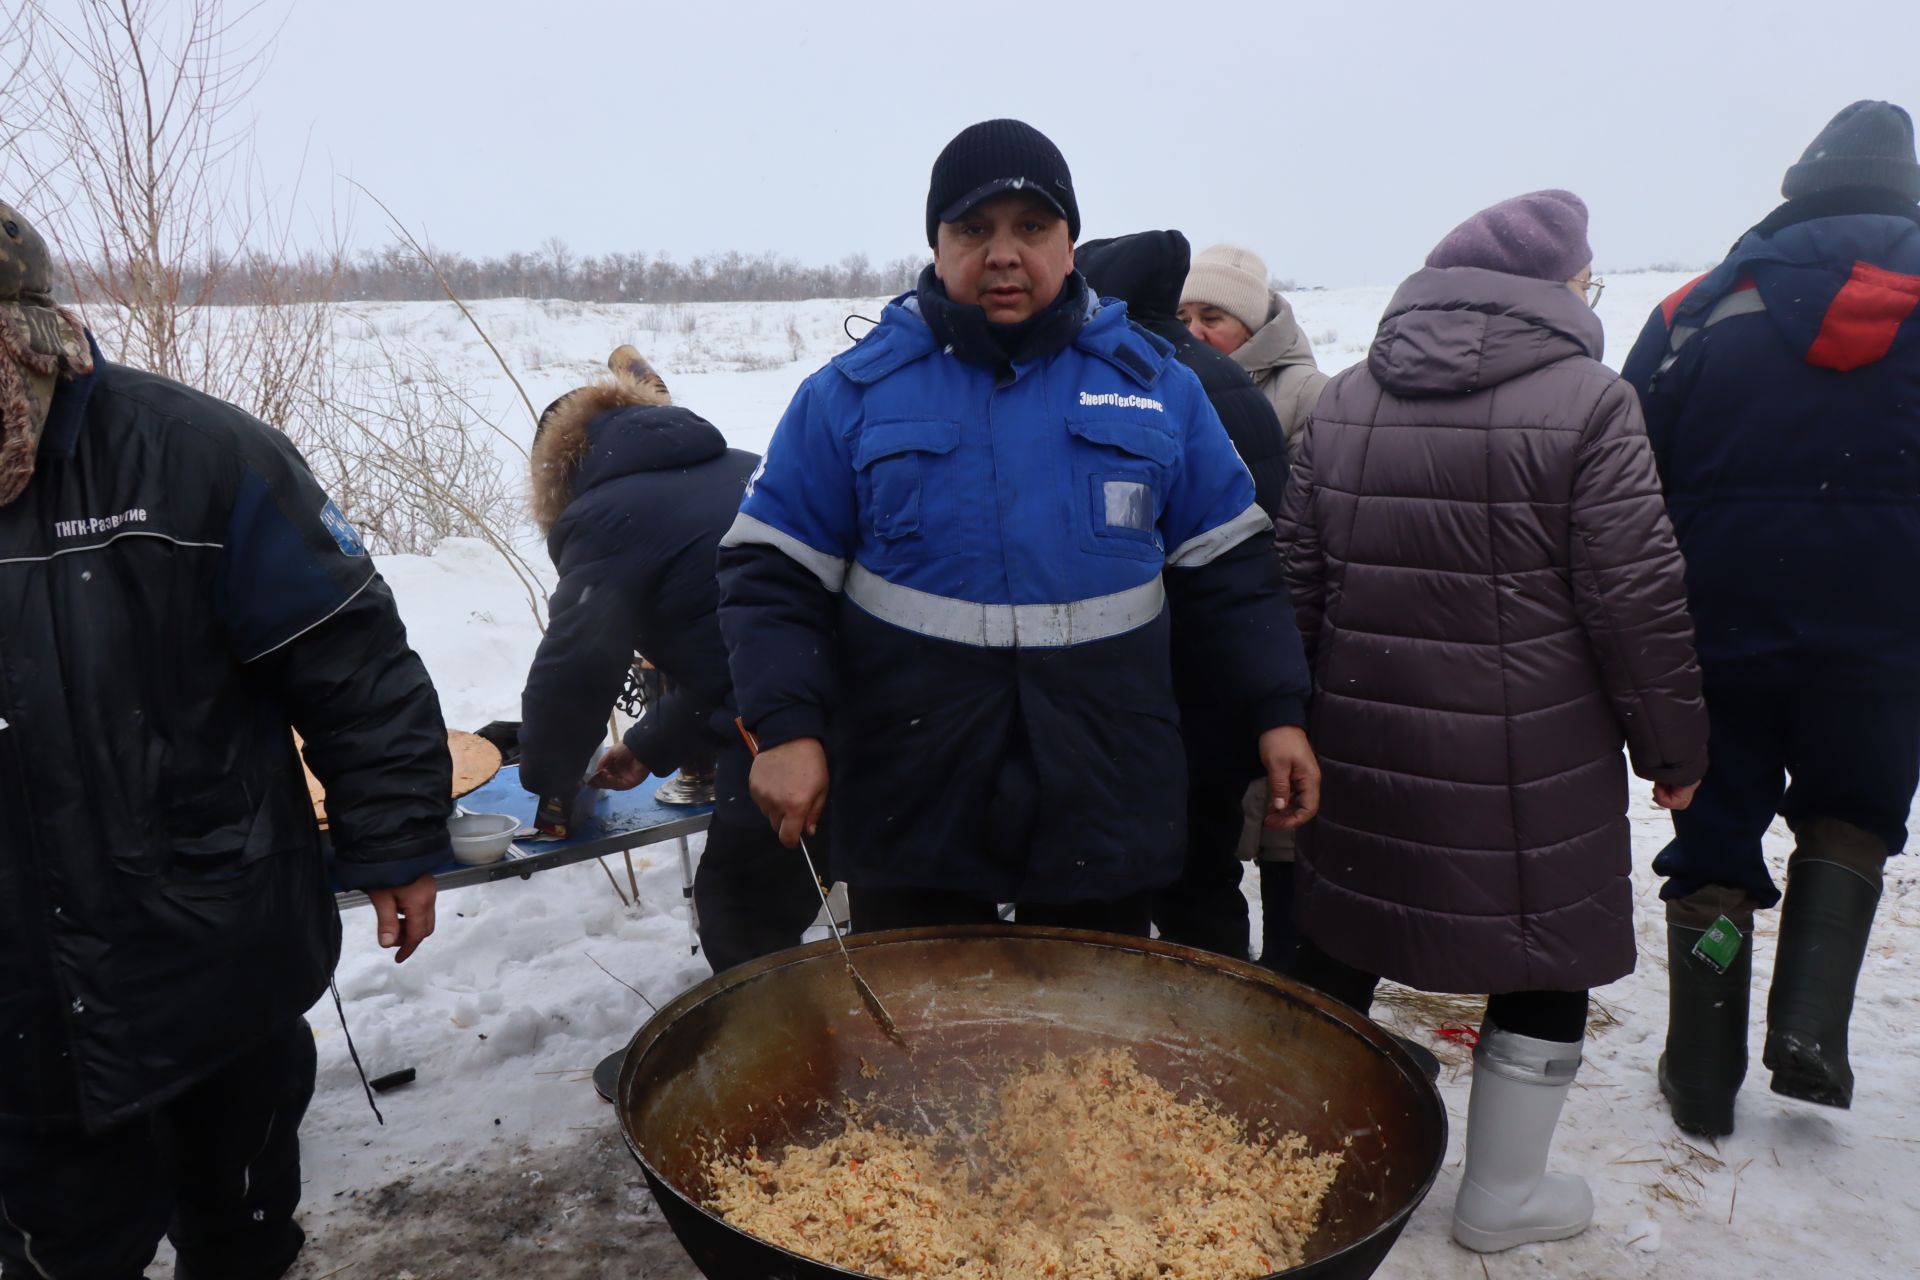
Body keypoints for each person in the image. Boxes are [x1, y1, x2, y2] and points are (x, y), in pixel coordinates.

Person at [717, 120, 1319, 935]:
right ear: (937, 245)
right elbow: (771, 575)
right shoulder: (850, 395)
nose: (1003, 253)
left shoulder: (1158, 392)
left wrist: (1278, 709)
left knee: (1088, 1041)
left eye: (1032, 227)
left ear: (1070, 243)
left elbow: (1232, 573)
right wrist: (787, 726)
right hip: (913, 789)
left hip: (1104, 785)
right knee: (923, 1034)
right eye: (974, 229)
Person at [0, 199, 450, 1280]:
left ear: (30, 339)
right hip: (20, 1006)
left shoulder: (194, 455)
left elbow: (351, 656)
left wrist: (394, 837)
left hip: (212, 948)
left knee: (240, 1231)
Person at [1274, 190, 1708, 1253]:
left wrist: (1281, 718)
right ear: (1561, 287)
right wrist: (1675, 749)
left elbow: (1293, 584)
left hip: (1363, 739)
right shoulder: (1592, 403)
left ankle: (1292, 1159)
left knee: (1340, 938)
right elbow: (1634, 597)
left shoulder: (1344, 400)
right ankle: (1503, 1193)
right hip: (1535, 755)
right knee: (1540, 952)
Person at [1620, 100, 1920, 1136]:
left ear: (1797, 187)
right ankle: (1809, 1036)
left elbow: (1626, 472)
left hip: (1718, 630)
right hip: (1887, 641)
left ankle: (1701, 1074)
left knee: (1713, 839)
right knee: (1851, 812)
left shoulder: (1694, 310)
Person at [517, 347, 821, 973]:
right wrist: (652, 744)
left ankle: (776, 1058)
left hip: (781, 728)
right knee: (885, 899)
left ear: (559, 468)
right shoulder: (744, 466)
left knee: (742, 916)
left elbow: (574, 668)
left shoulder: (603, 517)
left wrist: (551, 783)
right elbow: (736, 649)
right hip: (866, 697)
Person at [1076, 229, 1289, 963]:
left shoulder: (1144, 384)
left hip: (1147, 679)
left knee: (1121, 877)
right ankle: (1222, 1000)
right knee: (1205, 867)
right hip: (1222, 677)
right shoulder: (1228, 381)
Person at [1178, 241, 1333, 964]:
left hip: (1282, 624)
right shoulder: (1180, 386)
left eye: (1214, 315)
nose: (1196, 330)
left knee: (1282, 834)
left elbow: (1310, 518)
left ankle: (1290, 974)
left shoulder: (1307, 393)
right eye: (1184, 314)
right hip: (1224, 634)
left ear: (1254, 323)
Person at [1178, 243, 1329, 456]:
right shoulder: (1168, 384)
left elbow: (1310, 483)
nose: (1192, 332)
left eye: (1210, 319)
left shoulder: (1308, 393)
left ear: (1251, 328)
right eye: (1183, 320)